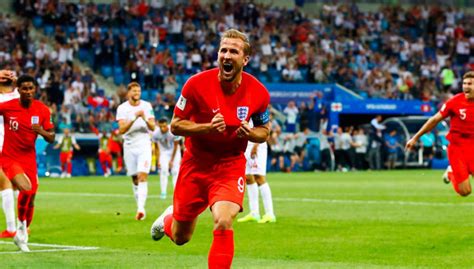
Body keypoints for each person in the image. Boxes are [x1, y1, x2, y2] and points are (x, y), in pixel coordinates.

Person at [150, 29, 270, 269]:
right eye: (223, 50)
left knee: (224, 221)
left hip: (230, 164)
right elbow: (175, 125)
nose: (226, 55)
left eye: (233, 51)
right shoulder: (195, 84)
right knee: (182, 237)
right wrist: (207, 128)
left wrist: (251, 133)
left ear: (245, 59)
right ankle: (167, 219)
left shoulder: (258, 93)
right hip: (195, 165)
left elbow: (264, 131)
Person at [0, 75, 55, 252]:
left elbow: (52, 137)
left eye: (31, 88)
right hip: (9, 157)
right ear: (18, 89)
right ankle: (19, 228)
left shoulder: (42, 110)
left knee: (31, 195)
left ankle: (21, 230)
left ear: (35, 89)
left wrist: (42, 132)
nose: (28, 92)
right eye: (24, 89)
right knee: (25, 188)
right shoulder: (8, 107)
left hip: (29, 158)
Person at [406, 71, 474, 196]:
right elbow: (434, 120)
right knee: (465, 192)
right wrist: (415, 137)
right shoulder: (455, 102)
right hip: (457, 149)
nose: (466, 87)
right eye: (464, 83)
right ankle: (450, 172)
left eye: (469, 84)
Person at [116, 82, 155, 220]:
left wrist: (144, 117)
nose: (137, 93)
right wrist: (134, 117)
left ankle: (141, 209)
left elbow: (152, 127)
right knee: (134, 178)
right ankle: (139, 205)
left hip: (144, 143)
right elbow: (121, 130)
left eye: (138, 91)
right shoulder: (122, 108)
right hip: (129, 145)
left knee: (142, 176)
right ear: (128, 93)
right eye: (134, 91)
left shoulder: (146, 106)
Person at [237, 136, 276, 224]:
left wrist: (256, 146)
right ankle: (254, 213)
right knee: (248, 178)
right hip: (246, 145)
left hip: (257, 145)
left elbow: (266, 129)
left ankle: (270, 214)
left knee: (259, 177)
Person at [0, 70, 19, 238]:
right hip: (18, 146)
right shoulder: (20, 98)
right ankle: (22, 226)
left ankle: (12, 228)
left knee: (4, 185)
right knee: (17, 184)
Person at [151, 117, 182, 199]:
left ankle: (176, 192)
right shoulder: (156, 133)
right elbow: (156, 148)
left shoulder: (173, 131)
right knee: (163, 171)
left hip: (175, 151)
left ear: (167, 125)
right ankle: (163, 192)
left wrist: (171, 160)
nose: (162, 128)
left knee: (175, 171)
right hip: (164, 152)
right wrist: (158, 160)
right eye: (160, 126)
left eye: (164, 126)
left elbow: (176, 146)